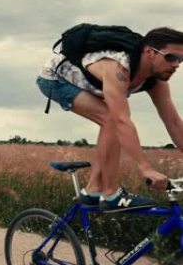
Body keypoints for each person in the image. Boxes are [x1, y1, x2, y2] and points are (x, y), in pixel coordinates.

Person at [37, 27, 183, 212]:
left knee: (110, 120)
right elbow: (122, 120)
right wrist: (146, 168)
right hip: (55, 79)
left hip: (88, 85)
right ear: (149, 52)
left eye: (181, 59)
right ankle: (111, 194)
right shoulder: (118, 67)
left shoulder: (157, 81)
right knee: (111, 119)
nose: (176, 64)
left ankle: (92, 191)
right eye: (171, 57)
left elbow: (174, 122)